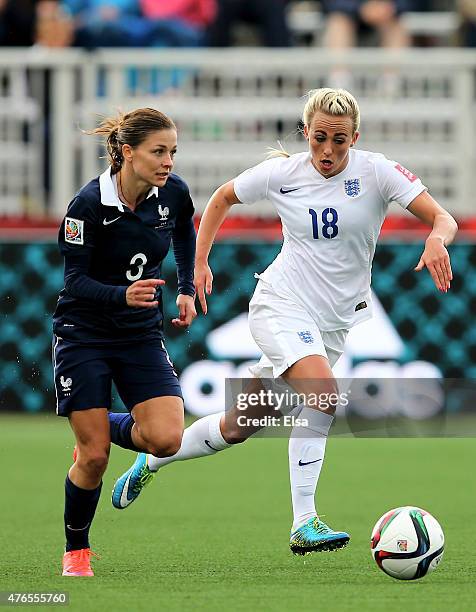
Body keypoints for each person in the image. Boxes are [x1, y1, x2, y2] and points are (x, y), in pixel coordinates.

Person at [111, 88, 457, 555]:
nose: (328, 151)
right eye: (319, 139)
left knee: (238, 426)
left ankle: (150, 462)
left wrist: (437, 238)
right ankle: (304, 520)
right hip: (281, 304)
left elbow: (442, 217)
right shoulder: (283, 174)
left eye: (339, 140)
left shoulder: (376, 171)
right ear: (305, 134)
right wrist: (198, 263)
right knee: (324, 396)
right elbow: (221, 198)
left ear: (355, 137)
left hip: (332, 324)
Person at [53, 107, 196, 577]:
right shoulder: (87, 206)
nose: (168, 161)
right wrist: (122, 294)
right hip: (84, 334)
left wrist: (186, 288)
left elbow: (184, 233)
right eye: (159, 151)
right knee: (93, 458)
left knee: (166, 439)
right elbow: (74, 281)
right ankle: (77, 552)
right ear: (127, 152)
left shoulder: (172, 194)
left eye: (173, 151)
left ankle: (101, 424)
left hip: (138, 335)